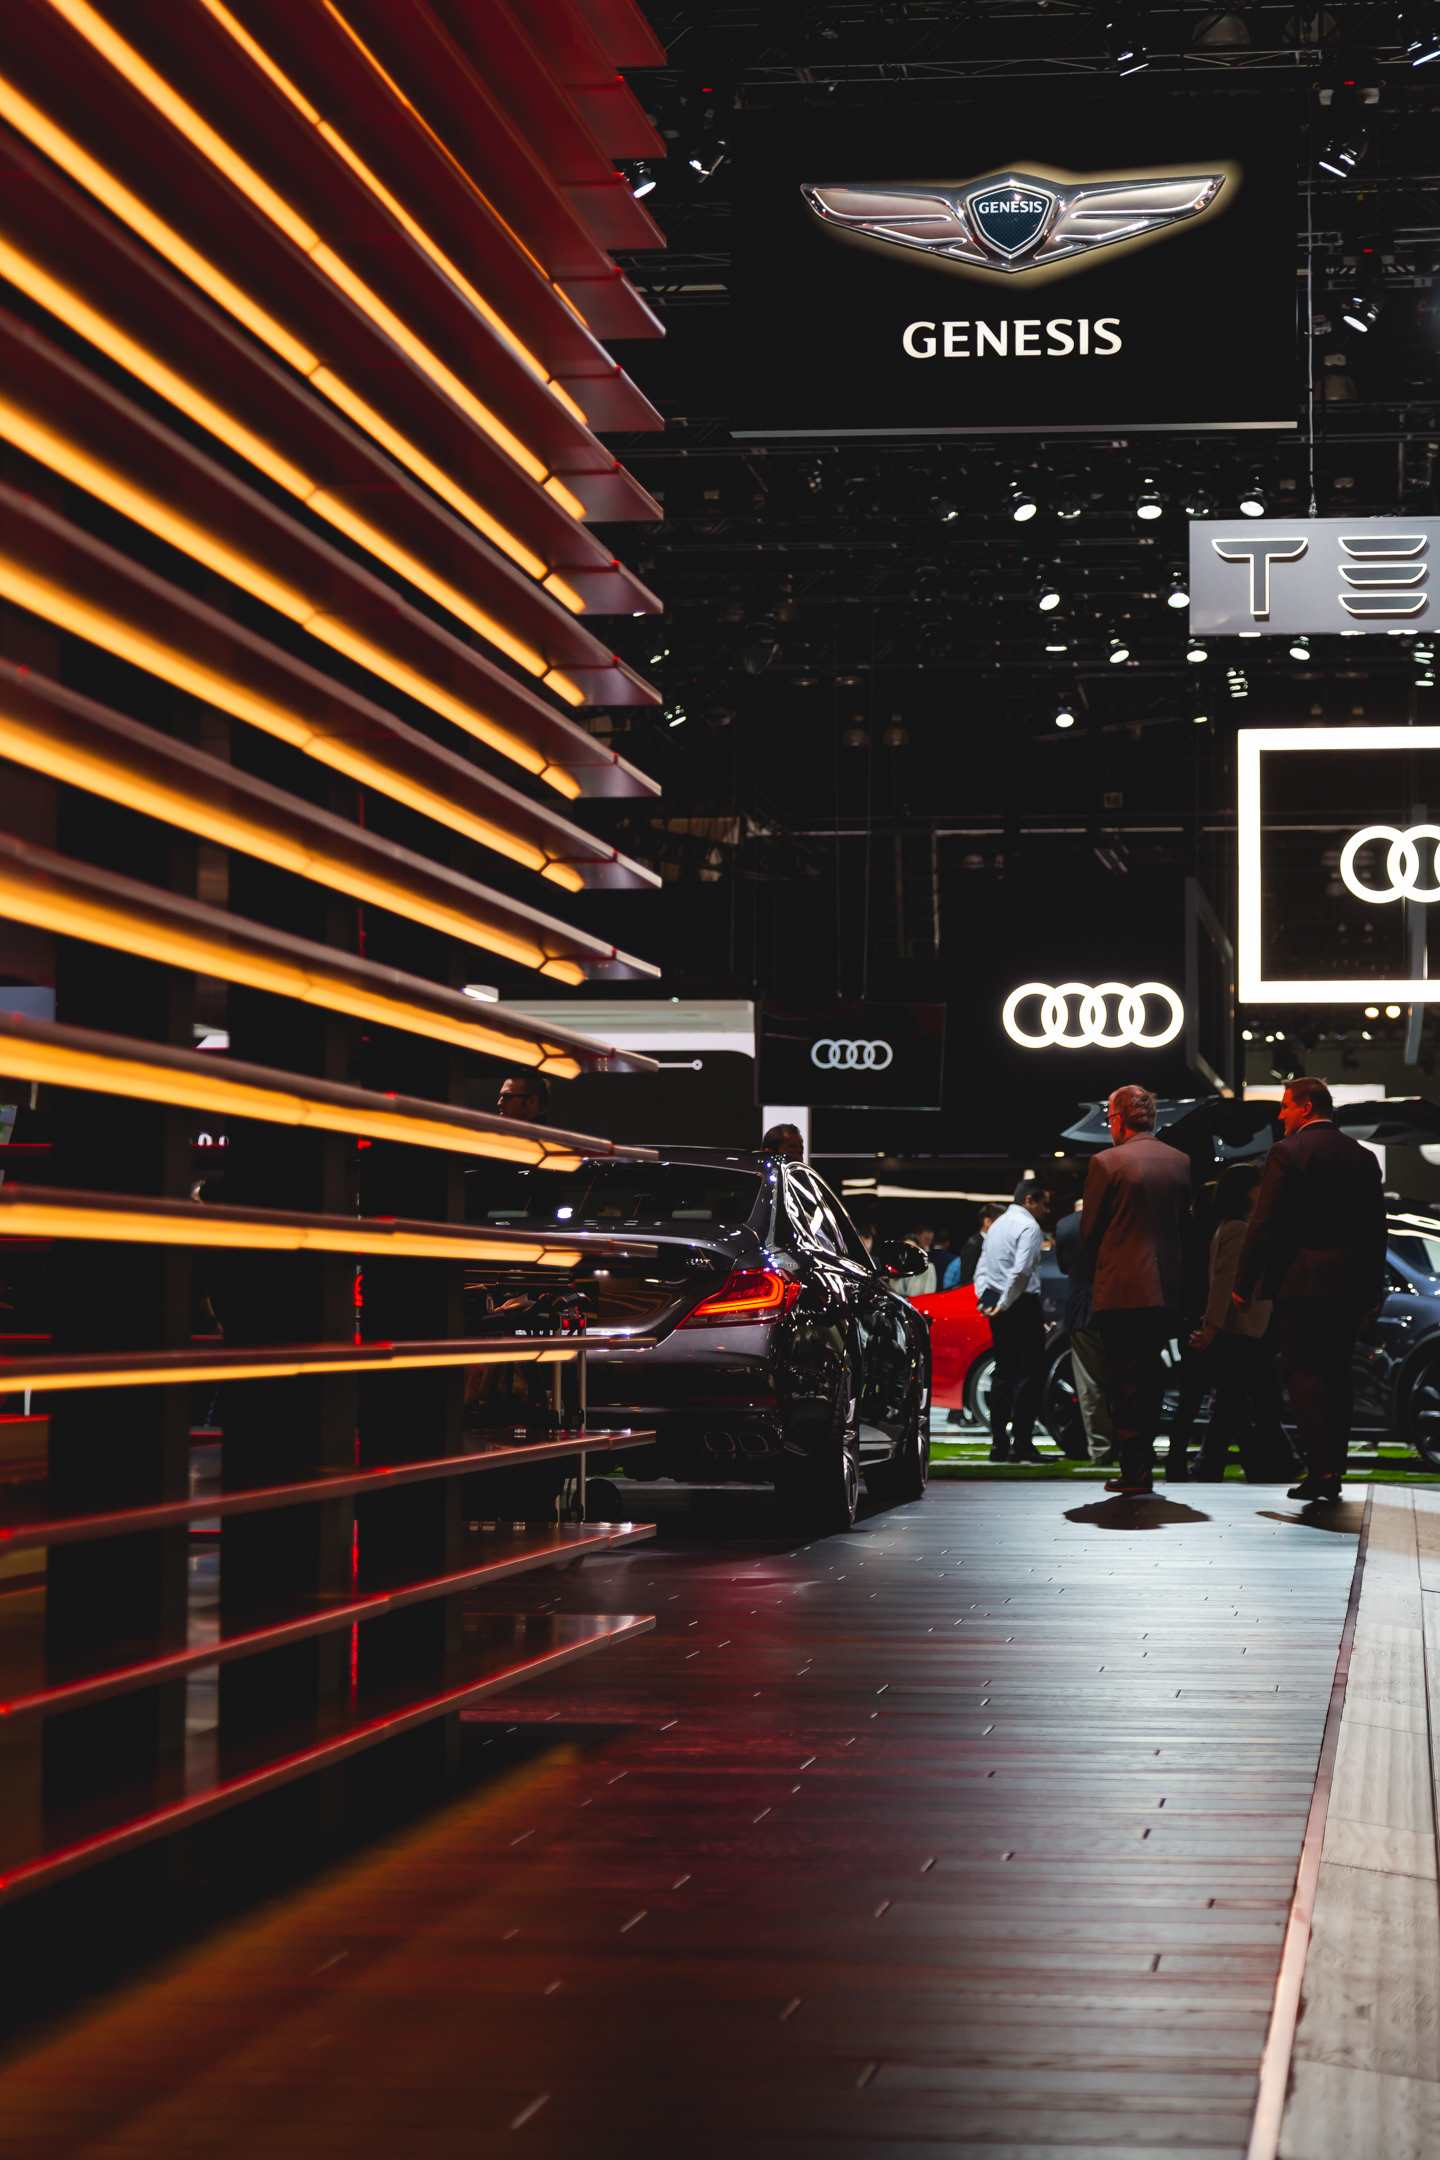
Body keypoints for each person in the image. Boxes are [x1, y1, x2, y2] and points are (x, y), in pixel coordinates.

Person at [1233, 1076, 1386, 1504]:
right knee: (1338, 1373)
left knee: (1304, 1372)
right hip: (1350, 1283)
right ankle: (1334, 1465)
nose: (1281, 1115)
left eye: (1285, 1107)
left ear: (1304, 1107)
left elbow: (1264, 1222)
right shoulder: (1362, 1156)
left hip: (1302, 1282)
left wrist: (1244, 1282)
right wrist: (1373, 1286)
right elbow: (1376, 1229)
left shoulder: (1287, 1152)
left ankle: (1320, 1470)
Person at [1082, 1084, 1192, 1497]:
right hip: (1164, 1289)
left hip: (1121, 1290)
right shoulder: (1180, 1161)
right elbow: (1185, 1229)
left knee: (1124, 1382)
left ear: (1118, 1120)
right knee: (1150, 1379)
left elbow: (1090, 1231)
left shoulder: (1106, 1162)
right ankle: (1144, 1465)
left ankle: (1136, 1469)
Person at [1188, 1164, 1298, 1483]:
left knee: (1234, 1401)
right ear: (1244, 1192)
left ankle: (1216, 1465)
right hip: (1241, 1328)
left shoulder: (1232, 1227)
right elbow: (1223, 1282)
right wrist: (1212, 1326)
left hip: (1241, 1328)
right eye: (1257, 1186)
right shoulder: (1238, 1229)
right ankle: (1266, 1464)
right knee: (1247, 1400)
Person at [973, 1179, 1050, 1465]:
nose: (1047, 1210)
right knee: (1030, 1374)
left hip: (998, 1306)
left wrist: (986, 1300)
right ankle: (1022, 1444)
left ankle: (998, 1445)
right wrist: (1005, 1302)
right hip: (1022, 1304)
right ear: (1030, 1200)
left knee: (1003, 1373)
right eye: (1044, 1203)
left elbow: (982, 1268)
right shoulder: (1029, 1226)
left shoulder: (997, 1225)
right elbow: (1021, 1271)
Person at [1054, 1199, 1117, 1467]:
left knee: (1089, 1385)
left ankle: (1101, 1450)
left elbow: (1063, 1266)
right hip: (1117, 1304)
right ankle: (1127, 1446)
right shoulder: (1118, 1220)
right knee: (1123, 1381)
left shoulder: (1066, 1225)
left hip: (1081, 1305)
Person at [944, 1204, 1004, 1289]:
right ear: (987, 1222)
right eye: (1002, 1222)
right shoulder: (974, 1245)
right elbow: (967, 1280)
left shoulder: (995, 1243)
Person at [893, 1226, 936, 1298]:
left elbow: (928, 1296)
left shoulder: (928, 1268)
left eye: (912, 1248)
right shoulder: (894, 1268)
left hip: (918, 1304)